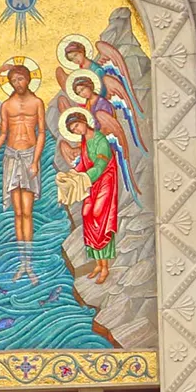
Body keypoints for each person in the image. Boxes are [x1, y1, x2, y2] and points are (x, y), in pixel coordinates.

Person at [0, 61, 47, 283]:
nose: (17, 83)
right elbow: (3, 133)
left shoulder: (37, 102)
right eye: (13, 80)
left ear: (27, 79)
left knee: (27, 212)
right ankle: (22, 263)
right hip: (10, 157)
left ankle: (30, 262)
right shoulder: (6, 105)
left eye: (20, 79)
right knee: (17, 213)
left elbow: (43, 132)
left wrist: (36, 161)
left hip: (28, 158)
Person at [61, 109, 122, 284]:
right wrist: (72, 174)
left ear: (84, 121)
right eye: (73, 129)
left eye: (77, 125)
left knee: (99, 215)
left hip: (105, 181)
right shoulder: (84, 141)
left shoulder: (100, 139)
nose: (77, 130)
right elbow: (84, 163)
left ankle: (105, 267)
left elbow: (101, 163)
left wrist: (86, 177)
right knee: (87, 215)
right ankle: (98, 262)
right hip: (91, 184)